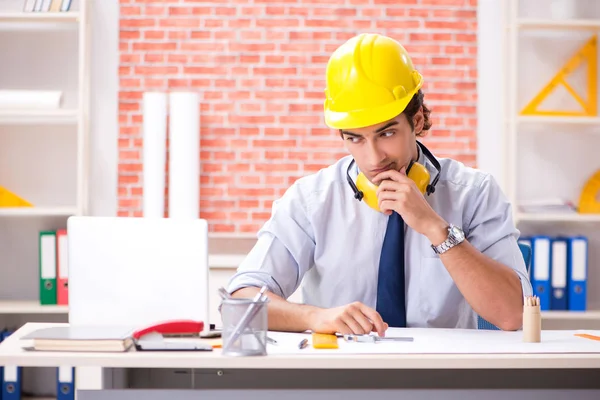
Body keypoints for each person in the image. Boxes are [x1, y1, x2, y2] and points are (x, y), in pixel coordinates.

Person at [226, 33, 533, 336]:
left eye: (386, 134)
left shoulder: (474, 193)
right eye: (355, 138)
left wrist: (434, 228)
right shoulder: (312, 199)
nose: (373, 159)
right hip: (342, 375)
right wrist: (315, 317)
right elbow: (240, 303)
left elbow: (513, 314)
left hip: (440, 375)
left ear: (419, 120)